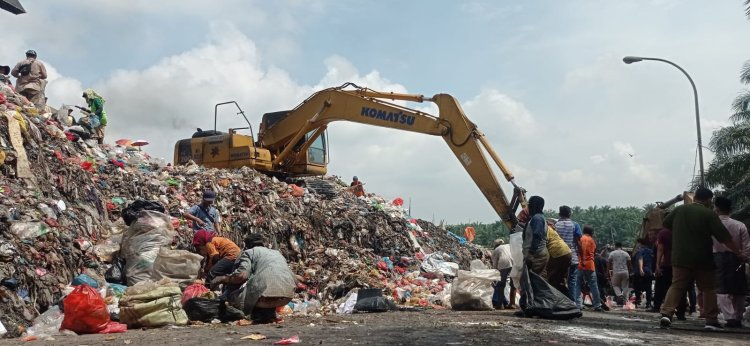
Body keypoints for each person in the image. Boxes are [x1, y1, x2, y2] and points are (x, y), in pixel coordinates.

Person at [659, 187, 744, 330]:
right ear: (708, 199)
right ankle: (711, 321)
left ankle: (666, 314)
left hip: (680, 256)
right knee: (708, 288)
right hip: (702, 258)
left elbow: (666, 224)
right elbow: (724, 237)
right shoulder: (708, 214)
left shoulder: (679, 210)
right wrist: (738, 252)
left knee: (677, 285)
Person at [212, 234, 296, 323]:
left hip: (264, 299)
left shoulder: (249, 252)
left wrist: (222, 278)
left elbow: (242, 276)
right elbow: (294, 279)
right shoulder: (277, 253)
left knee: (232, 296)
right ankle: (266, 314)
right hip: (287, 297)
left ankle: (253, 313)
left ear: (246, 245)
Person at [712, 196, 750, 328]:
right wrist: (744, 256)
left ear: (716, 208)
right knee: (739, 288)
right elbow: (746, 245)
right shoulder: (740, 225)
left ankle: (730, 318)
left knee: (722, 289)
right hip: (737, 258)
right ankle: (738, 317)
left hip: (717, 258)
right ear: (731, 209)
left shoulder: (713, 225)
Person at [554, 206, 582, 301]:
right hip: (573, 257)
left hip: (558, 257)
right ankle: (573, 303)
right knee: (572, 282)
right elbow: (579, 242)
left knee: (559, 280)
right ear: (569, 214)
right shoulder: (574, 225)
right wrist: (581, 255)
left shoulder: (555, 225)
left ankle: (561, 302)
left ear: (559, 214)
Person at [575, 225, 604, 311]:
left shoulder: (580, 238)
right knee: (593, 286)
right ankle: (597, 305)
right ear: (591, 232)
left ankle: (578, 304)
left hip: (580, 264)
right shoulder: (592, 240)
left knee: (577, 285)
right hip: (590, 265)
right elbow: (594, 252)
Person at [522, 196, 549, 278]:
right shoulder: (537, 218)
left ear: (533, 206)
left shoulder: (537, 218)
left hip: (536, 255)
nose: (528, 207)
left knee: (534, 280)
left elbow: (537, 236)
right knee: (540, 280)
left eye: (529, 205)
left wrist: (531, 253)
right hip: (538, 253)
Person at [545, 221, 573, 297]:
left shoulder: (546, 229)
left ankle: (555, 300)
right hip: (567, 252)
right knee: (560, 280)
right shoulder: (554, 231)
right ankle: (570, 300)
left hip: (558, 254)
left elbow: (544, 242)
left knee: (550, 279)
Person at [491, 238, 514, 309]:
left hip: (503, 265)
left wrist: (495, 273)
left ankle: (500, 305)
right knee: (513, 284)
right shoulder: (509, 246)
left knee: (501, 285)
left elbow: (495, 264)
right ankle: (511, 304)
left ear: (496, 245)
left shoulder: (496, 250)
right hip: (514, 263)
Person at [634, 238, 655, 309]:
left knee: (636, 287)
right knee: (648, 288)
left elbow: (640, 259)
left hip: (640, 272)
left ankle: (638, 301)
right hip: (649, 271)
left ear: (639, 243)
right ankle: (648, 303)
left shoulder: (640, 251)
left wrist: (640, 269)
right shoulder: (651, 251)